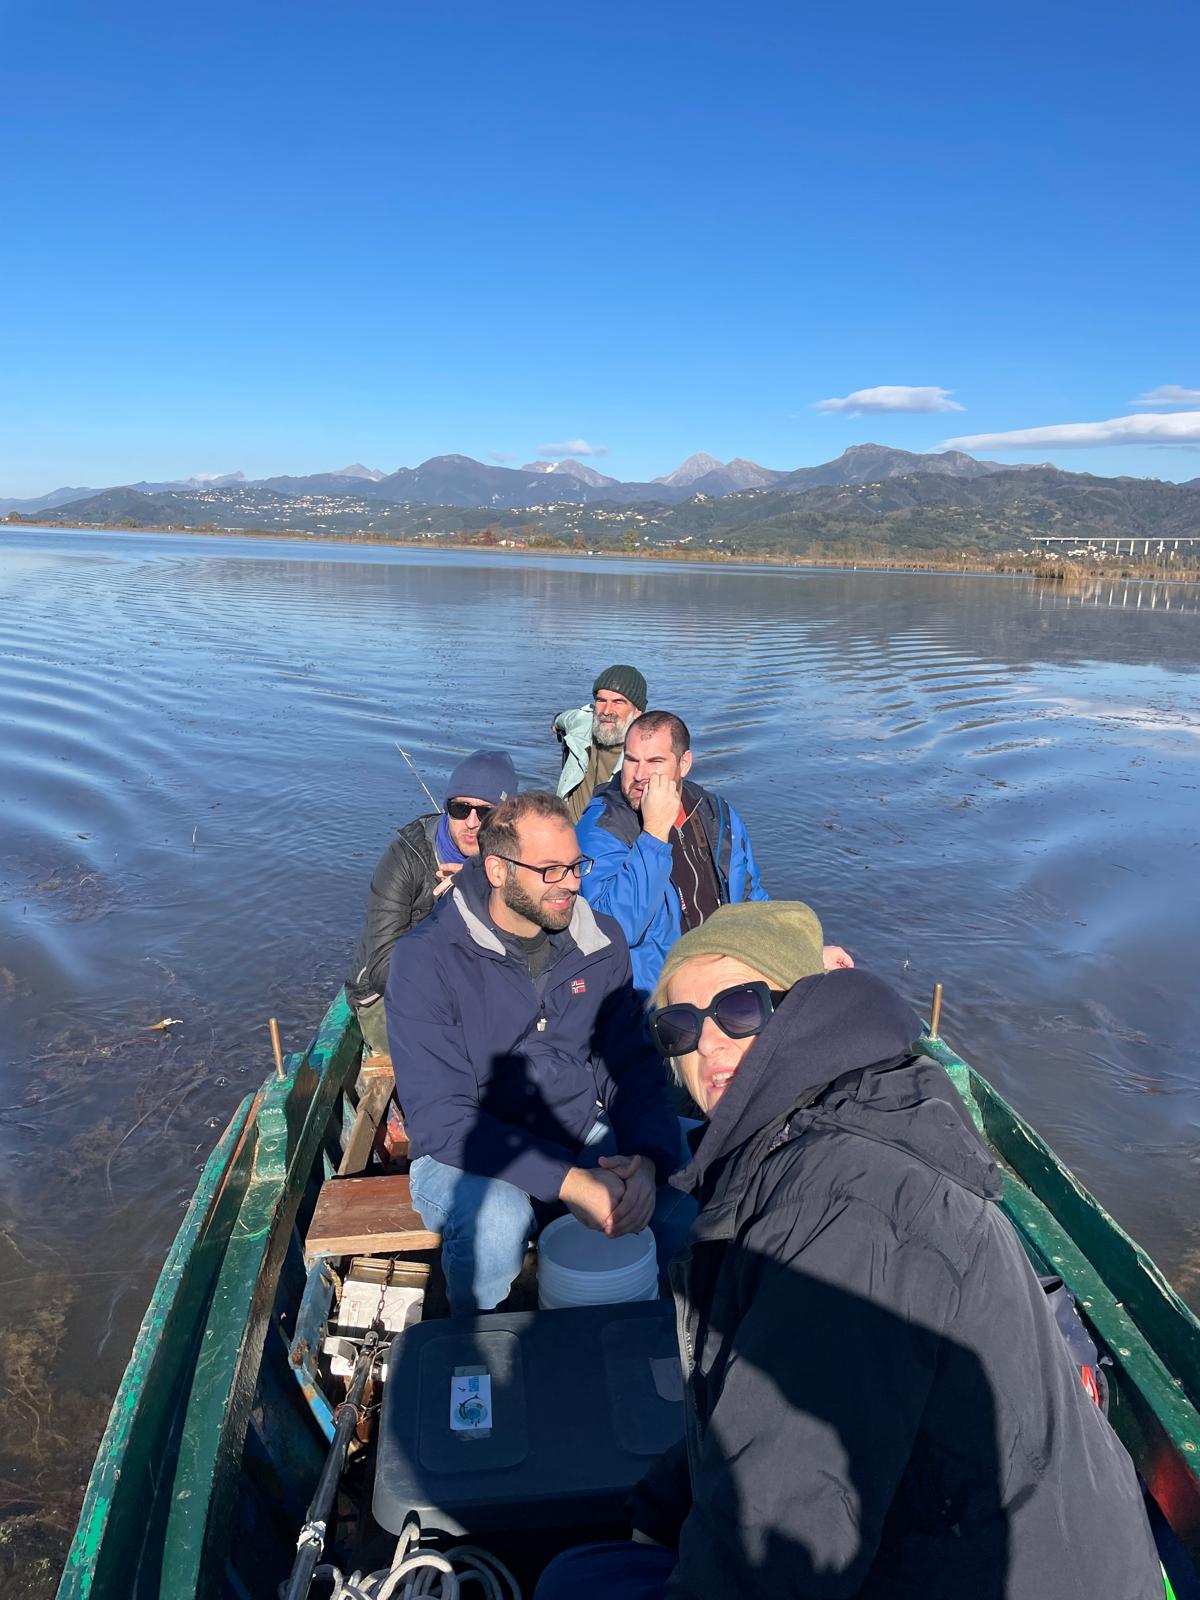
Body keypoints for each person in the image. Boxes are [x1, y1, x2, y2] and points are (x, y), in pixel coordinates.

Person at [535, 902, 1163, 1600]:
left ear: (805, 1003)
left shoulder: (845, 1208)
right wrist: (661, 1505)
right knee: (582, 1575)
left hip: (991, 1574)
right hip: (941, 1537)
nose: (708, 1045)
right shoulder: (827, 1131)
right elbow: (776, 1389)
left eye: (740, 1008)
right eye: (680, 1027)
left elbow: (780, 1552)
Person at [384, 790, 694, 1315]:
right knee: (497, 1219)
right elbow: (440, 1118)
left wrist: (646, 1160)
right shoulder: (425, 959)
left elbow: (630, 1066)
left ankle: (658, 1338)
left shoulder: (601, 942)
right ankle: (478, 1345)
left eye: (575, 866)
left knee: (678, 1204)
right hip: (465, 1149)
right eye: (550, 870)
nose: (571, 883)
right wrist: (569, 1182)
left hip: (574, 1127)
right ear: (499, 870)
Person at [577, 709, 850, 997]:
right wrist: (654, 835)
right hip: (651, 1002)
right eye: (631, 760)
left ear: (684, 764)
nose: (639, 775)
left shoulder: (713, 814)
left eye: (655, 761)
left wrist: (805, 955)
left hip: (721, 982)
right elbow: (612, 931)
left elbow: (749, 901)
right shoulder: (602, 827)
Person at [345, 749, 517, 1057]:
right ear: (446, 807)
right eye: (460, 808)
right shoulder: (405, 859)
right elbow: (384, 967)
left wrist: (478, 880)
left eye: (486, 812)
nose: (471, 822)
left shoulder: (511, 862)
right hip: (388, 996)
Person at [552, 663, 647, 822]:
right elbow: (565, 718)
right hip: (565, 831)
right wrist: (556, 722)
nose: (606, 711)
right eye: (601, 700)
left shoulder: (645, 757)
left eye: (618, 702)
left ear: (637, 712)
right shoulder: (584, 722)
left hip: (605, 839)